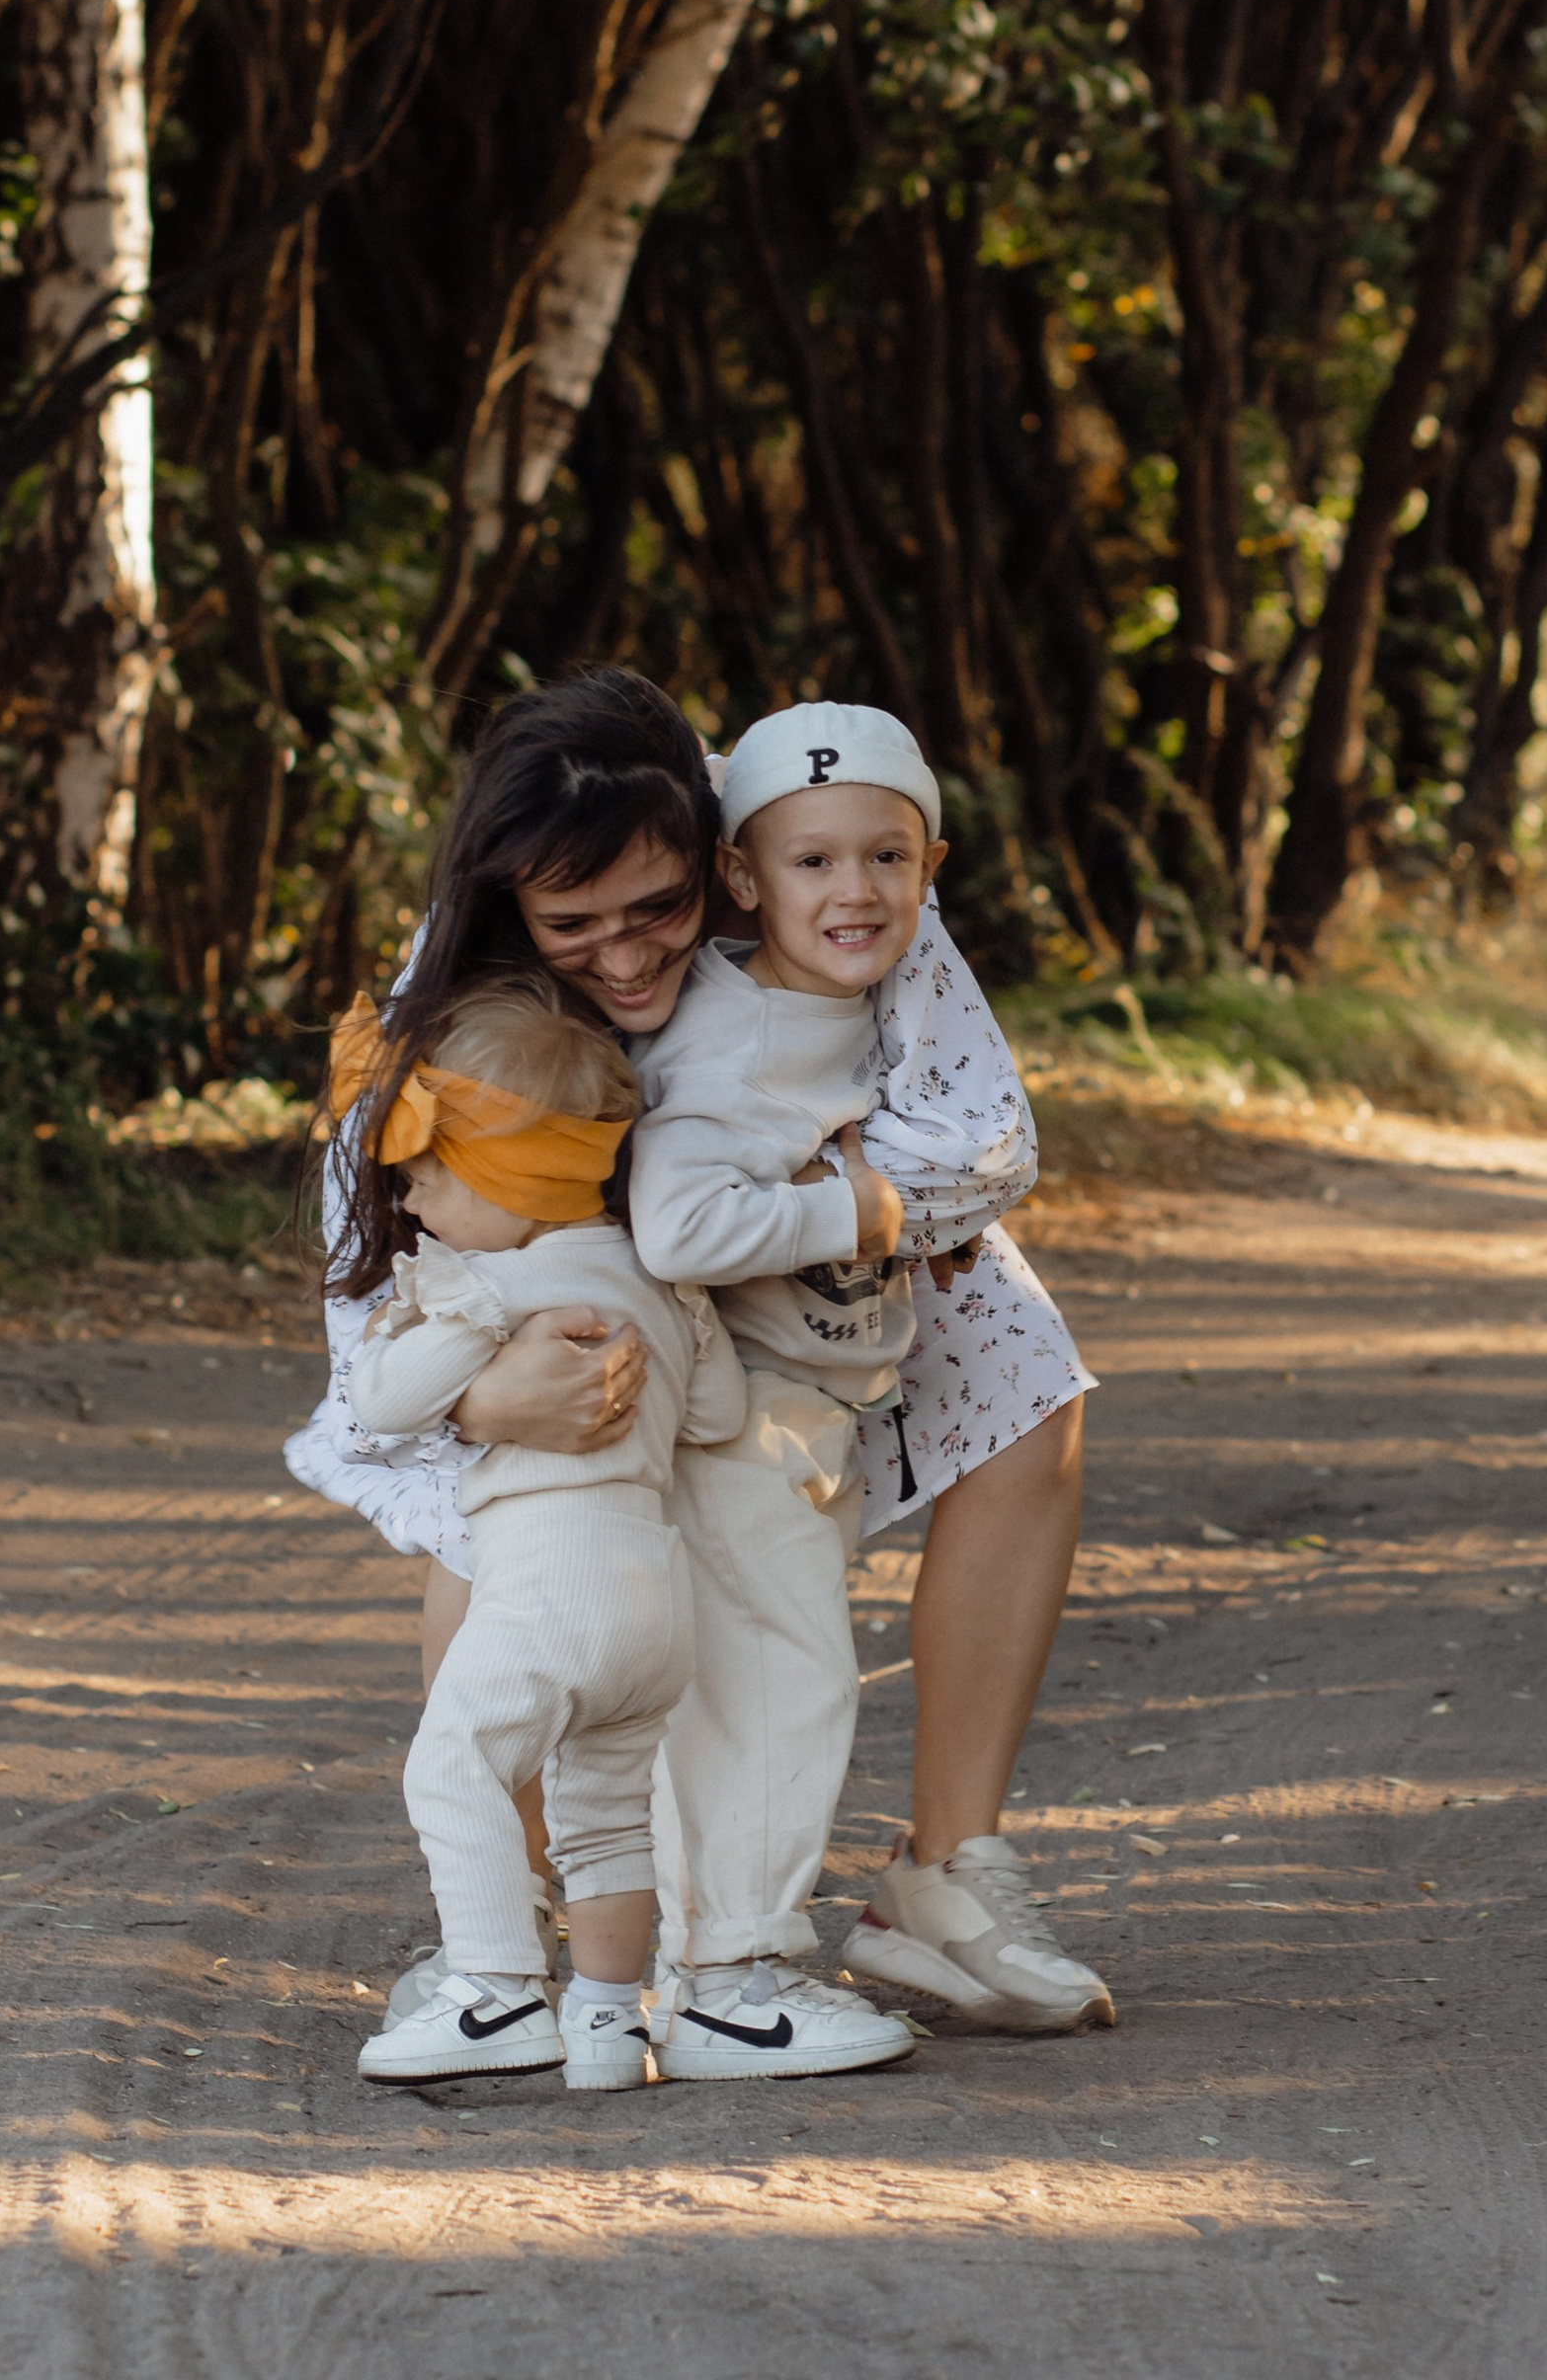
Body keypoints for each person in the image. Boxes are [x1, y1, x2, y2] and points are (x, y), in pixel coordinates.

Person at [285, 666, 1105, 2062]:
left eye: (657, 911)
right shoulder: (447, 985)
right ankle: (505, 1923)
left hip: (809, 1222)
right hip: (560, 1251)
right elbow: (375, 1253)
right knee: (507, 1507)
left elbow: (988, 1132)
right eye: (572, 927)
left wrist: (838, 1199)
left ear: (719, 864)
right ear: (510, 909)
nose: (619, 955)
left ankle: (941, 1878)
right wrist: (483, 1387)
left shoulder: (823, 835)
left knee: (1027, 1386)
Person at [629, 702, 1111, 2056]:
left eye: (887, 861)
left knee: (769, 1662)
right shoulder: (731, 1026)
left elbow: (989, 1139)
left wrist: (870, 1200)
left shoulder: (846, 936)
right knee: (761, 1663)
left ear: (929, 861)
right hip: (717, 1361)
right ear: (737, 874)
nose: (857, 887)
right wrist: (854, 1210)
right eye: (816, 864)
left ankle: (897, 1899)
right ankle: (680, 1965)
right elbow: (674, 1212)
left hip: (812, 1367)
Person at [330, 982, 745, 2094]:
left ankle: (497, 1992)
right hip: (653, 1606)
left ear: (504, 1178)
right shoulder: (660, 1284)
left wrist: (438, 1318)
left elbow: (380, 1403)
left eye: (425, 1178)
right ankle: (611, 2024)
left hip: (548, 1591)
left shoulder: (482, 1284)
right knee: (603, 1818)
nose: (410, 1207)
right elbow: (718, 1418)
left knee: (452, 1763)